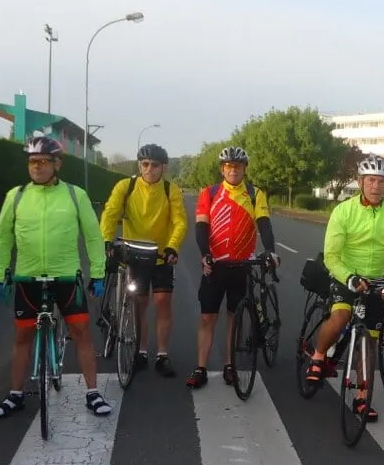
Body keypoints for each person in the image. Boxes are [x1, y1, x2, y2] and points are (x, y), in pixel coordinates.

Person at [0, 136, 111, 418]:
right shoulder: (16, 196)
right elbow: (2, 237)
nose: (37, 167)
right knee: (22, 335)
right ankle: (15, 395)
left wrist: (97, 273)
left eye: (43, 161)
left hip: (66, 276)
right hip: (27, 277)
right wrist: (1, 275)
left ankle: (93, 393)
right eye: (32, 161)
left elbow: (93, 236)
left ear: (57, 163)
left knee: (81, 333)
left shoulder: (74, 194)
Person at [304, 154, 384, 422]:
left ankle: (362, 397)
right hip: (345, 273)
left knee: (370, 340)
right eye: (371, 180)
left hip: (376, 278)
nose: (376, 186)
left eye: (382, 181)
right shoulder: (343, 211)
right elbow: (331, 256)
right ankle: (318, 355)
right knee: (340, 317)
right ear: (360, 182)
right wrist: (348, 277)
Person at [186, 146, 278, 389]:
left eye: (237, 166)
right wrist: (205, 253)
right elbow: (201, 227)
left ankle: (229, 365)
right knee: (207, 317)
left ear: (244, 168)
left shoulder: (255, 194)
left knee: (233, 319)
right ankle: (201, 367)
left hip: (242, 266)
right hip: (215, 265)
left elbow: (264, 223)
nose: (233, 170)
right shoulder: (210, 193)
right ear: (222, 169)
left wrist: (270, 250)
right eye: (228, 166)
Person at [98, 143, 187, 377]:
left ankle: (162, 356)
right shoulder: (125, 187)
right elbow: (110, 213)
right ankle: (141, 351)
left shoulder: (171, 190)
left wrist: (172, 246)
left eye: (155, 165)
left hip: (160, 256)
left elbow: (179, 222)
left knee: (162, 303)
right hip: (134, 256)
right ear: (139, 165)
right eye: (145, 164)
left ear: (164, 167)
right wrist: (107, 240)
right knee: (139, 305)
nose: (149, 169)